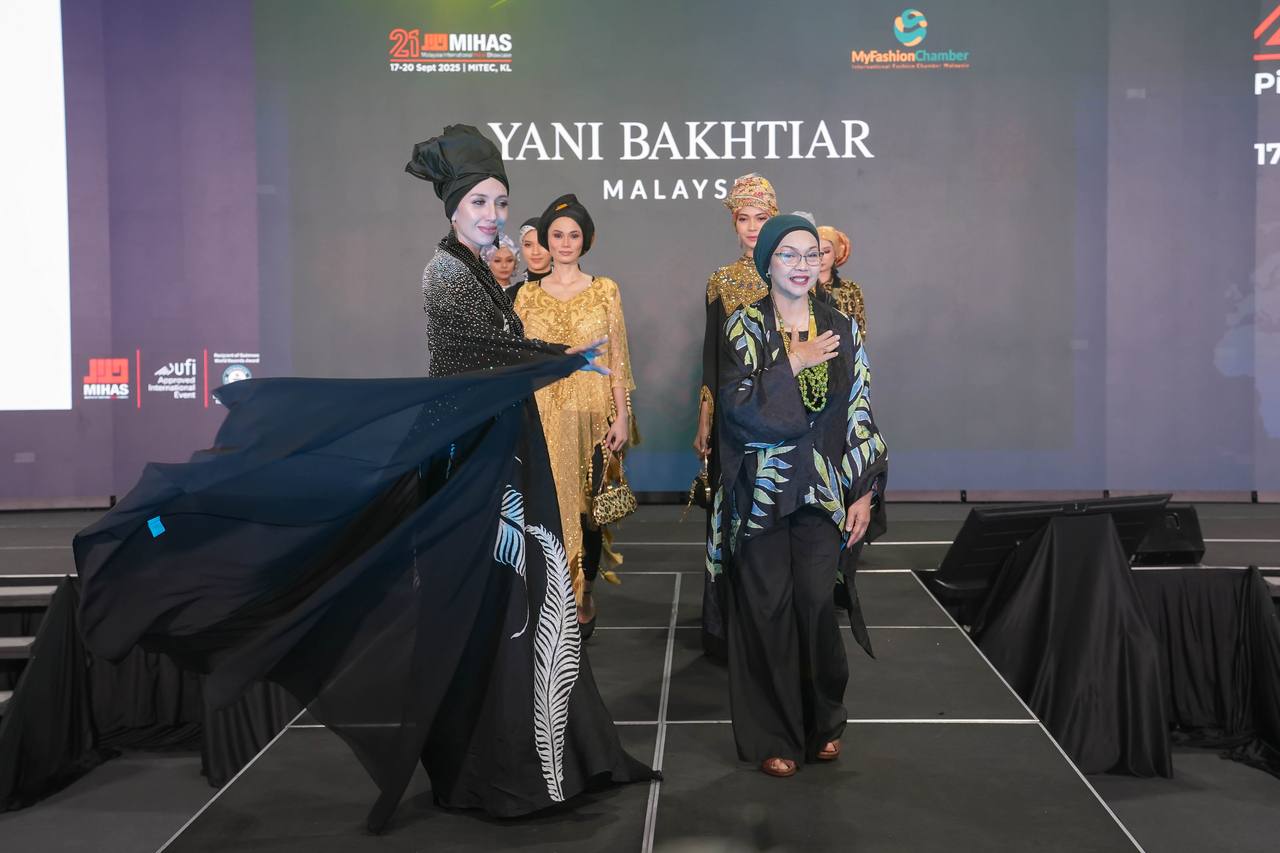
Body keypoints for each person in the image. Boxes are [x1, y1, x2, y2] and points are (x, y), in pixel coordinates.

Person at [74, 124, 656, 834]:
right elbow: (486, 351)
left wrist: (530, 327)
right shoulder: (445, 271)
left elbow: (495, 345)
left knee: (528, 602)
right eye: (478, 200)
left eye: (501, 200)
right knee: (497, 609)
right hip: (470, 454)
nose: (492, 213)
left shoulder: (483, 265)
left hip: (501, 443)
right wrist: (561, 356)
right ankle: (498, 769)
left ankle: (543, 758)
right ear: (451, 203)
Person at [712, 214, 887, 778]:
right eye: (788, 254)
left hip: (823, 490)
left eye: (810, 254)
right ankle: (775, 734)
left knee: (814, 605)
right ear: (768, 262)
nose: (802, 265)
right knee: (767, 611)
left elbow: (858, 409)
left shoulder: (843, 326)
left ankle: (824, 722)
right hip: (761, 493)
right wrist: (792, 361)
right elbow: (736, 410)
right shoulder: (743, 326)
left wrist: (864, 491)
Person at [512, 194, 637, 639]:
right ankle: (552, 598)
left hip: (593, 415)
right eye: (557, 235)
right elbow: (519, 362)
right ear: (545, 238)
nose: (565, 243)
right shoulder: (526, 295)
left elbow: (617, 356)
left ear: (586, 241)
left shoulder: (605, 289)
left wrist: (622, 415)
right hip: (541, 417)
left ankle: (582, 596)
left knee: (590, 514)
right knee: (543, 509)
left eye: (574, 235)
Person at [694, 172, 778, 659]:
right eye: (743, 219)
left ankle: (769, 620)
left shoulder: (790, 272)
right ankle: (726, 625)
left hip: (781, 412)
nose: (751, 227)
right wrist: (704, 417)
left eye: (760, 218)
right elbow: (712, 357)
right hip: (731, 413)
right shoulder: (721, 281)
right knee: (730, 513)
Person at [816, 225, 866, 337]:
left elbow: (859, 330)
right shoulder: (802, 289)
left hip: (845, 351)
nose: (821, 257)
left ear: (836, 253)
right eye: (816, 252)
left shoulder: (850, 289)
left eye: (827, 251)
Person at [506, 217, 552, 300]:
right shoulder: (511, 295)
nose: (535, 252)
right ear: (522, 247)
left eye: (542, 244)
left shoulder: (572, 290)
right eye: (528, 245)